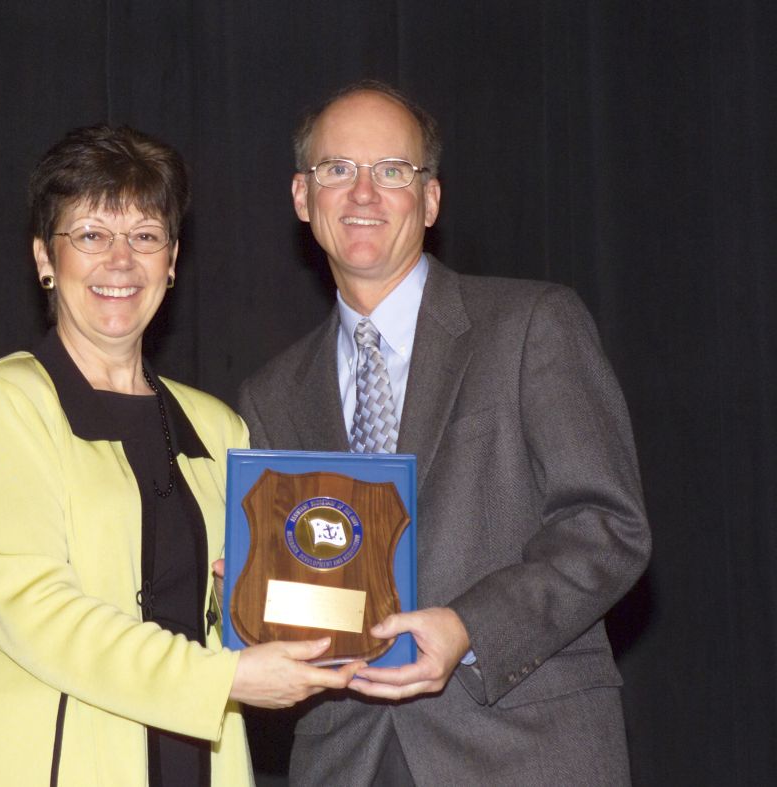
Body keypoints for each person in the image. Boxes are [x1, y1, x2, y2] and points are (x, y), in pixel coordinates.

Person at [0, 124, 360, 787]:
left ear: (172, 260)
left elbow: (248, 607)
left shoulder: (218, 428)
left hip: (192, 761)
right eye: (91, 235)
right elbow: (39, 612)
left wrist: (326, 619)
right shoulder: (3, 403)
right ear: (44, 257)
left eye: (145, 236)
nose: (120, 260)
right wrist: (226, 676)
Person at [238, 81, 652, 785]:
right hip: (347, 758)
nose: (363, 193)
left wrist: (467, 627)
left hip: (524, 749)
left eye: (392, 171)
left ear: (429, 200)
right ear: (303, 198)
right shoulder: (271, 392)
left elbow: (608, 525)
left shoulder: (531, 325)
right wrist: (248, 591)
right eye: (337, 169)